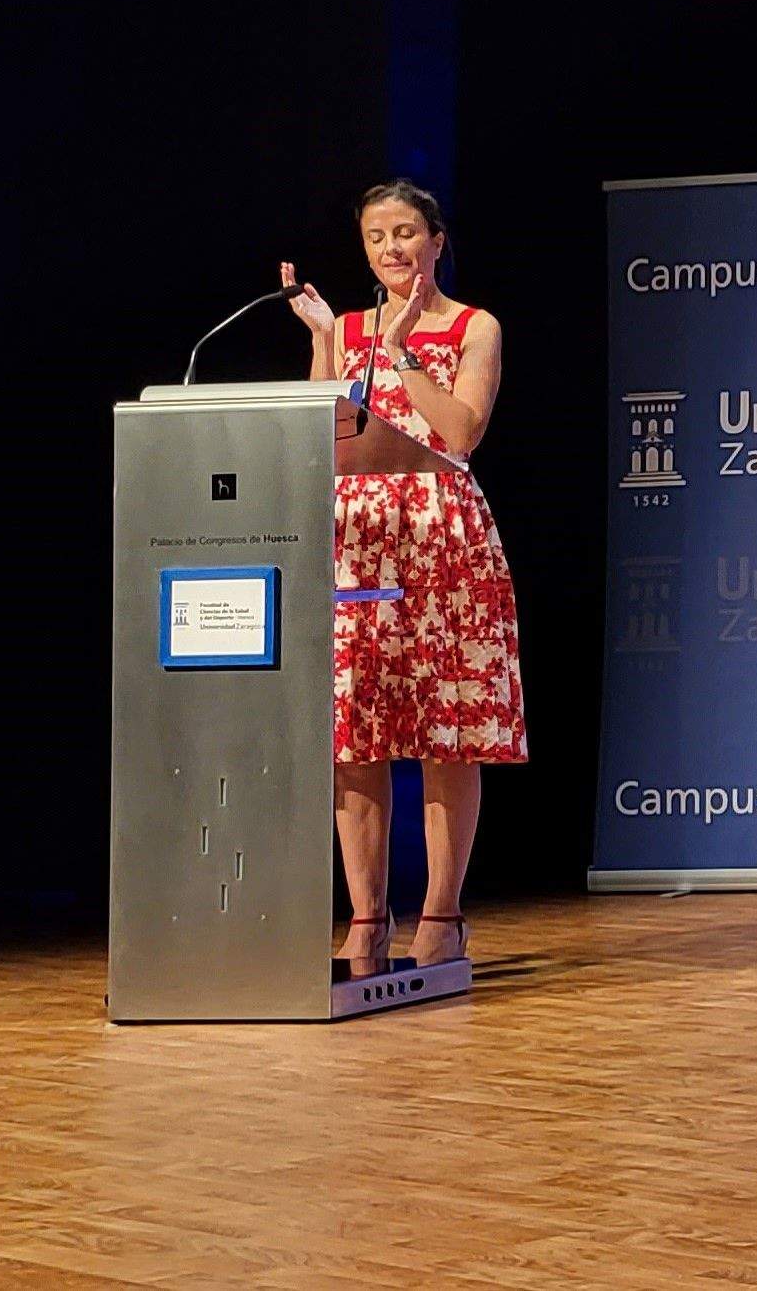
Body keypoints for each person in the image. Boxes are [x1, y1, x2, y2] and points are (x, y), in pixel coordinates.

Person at [281, 179, 526, 980]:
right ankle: (365, 920)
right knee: (356, 732)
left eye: (406, 232)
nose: (392, 248)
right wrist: (326, 343)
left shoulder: (473, 325)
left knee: (445, 731)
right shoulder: (346, 328)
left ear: (436, 241)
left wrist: (401, 354)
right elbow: (318, 437)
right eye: (377, 236)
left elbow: (461, 432)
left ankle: (443, 919)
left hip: (441, 538)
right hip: (357, 542)